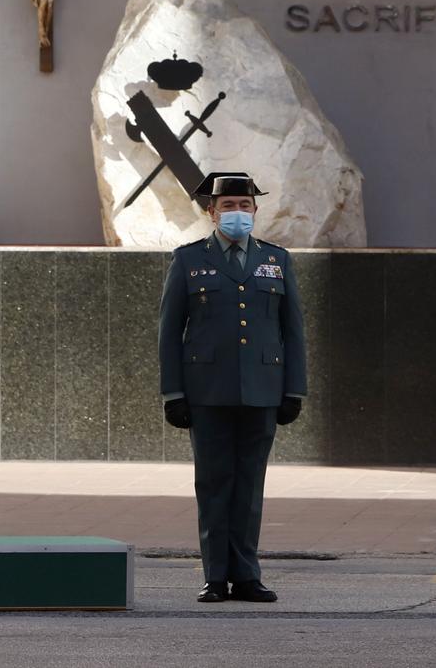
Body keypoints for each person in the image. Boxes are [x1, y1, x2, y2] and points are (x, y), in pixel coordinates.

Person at [158, 171, 307, 605]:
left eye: (245, 206)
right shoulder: (188, 260)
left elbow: (293, 330)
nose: (237, 213)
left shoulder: (276, 260)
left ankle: (246, 575)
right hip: (207, 391)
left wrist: (293, 390)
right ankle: (215, 577)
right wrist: (173, 393)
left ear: (256, 211)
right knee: (213, 483)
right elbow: (170, 332)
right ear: (211, 212)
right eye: (228, 207)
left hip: (263, 389)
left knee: (250, 485)